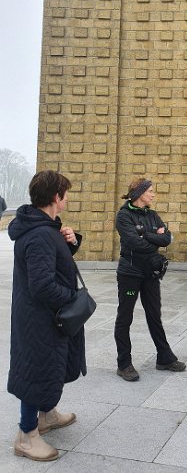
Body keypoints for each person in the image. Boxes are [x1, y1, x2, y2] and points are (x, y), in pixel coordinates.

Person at [8, 170, 85, 462]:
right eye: (66, 193)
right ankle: (27, 435)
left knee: (49, 365)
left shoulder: (47, 228)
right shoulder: (40, 234)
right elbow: (42, 285)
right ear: (56, 197)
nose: (68, 198)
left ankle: (47, 414)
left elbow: (54, 264)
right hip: (39, 319)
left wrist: (70, 241)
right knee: (36, 370)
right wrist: (73, 298)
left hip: (45, 317)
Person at [114, 178, 186, 381]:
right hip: (130, 274)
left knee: (154, 315)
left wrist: (145, 233)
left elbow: (167, 239)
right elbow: (134, 244)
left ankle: (164, 357)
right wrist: (153, 236)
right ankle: (124, 363)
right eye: (151, 191)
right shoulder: (123, 215)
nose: (153, 194)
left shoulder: (153, 215)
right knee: (125, 317)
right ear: (139, 194)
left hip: (150, 274)